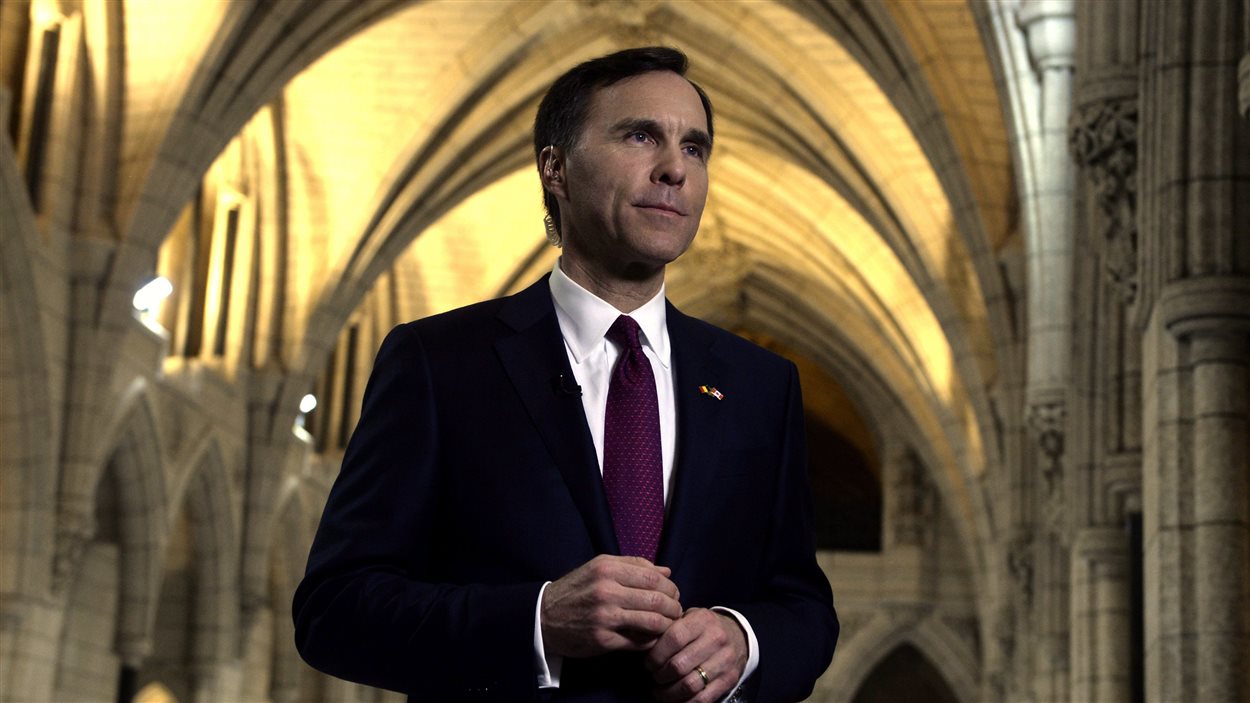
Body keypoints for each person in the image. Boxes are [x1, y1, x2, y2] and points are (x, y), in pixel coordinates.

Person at [293, 46, 838, 702]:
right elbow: (334, 610)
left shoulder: (760, 385)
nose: (674, 168)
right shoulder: (440, 362)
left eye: (695, 148)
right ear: (555, 167)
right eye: (640, 136)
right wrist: (536, 620)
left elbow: (803, 608)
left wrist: (744, 640)